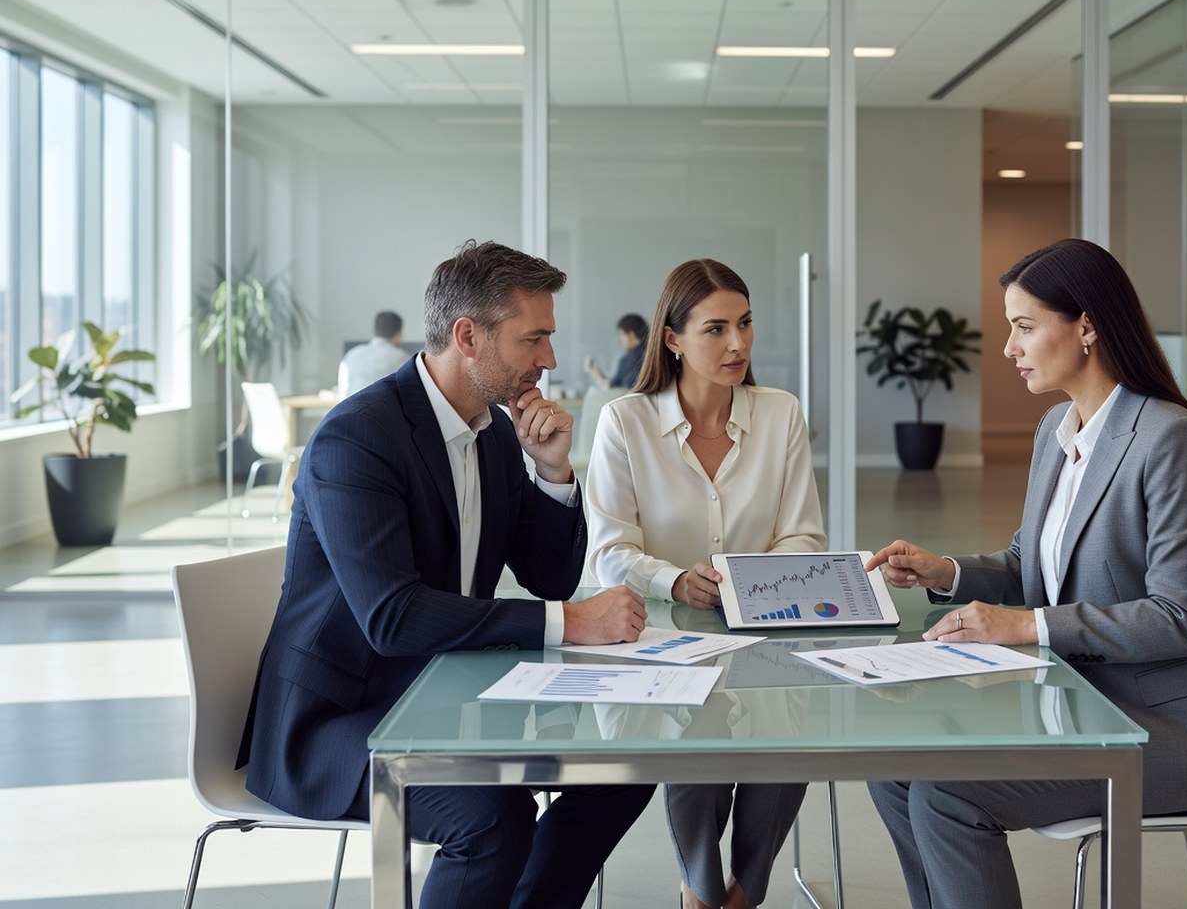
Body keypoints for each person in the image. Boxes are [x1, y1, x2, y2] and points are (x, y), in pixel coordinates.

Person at [237, 241, 653, 909]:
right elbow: (393, 619)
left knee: (628, 765)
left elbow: (547, 573)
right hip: (341, 719)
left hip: (448, 686)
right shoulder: (357, 439)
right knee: (490, 816)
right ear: (468, 337)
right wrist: (572, 622)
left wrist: (551, 471)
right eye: (534, 339)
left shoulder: (490, 431)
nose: (548, 359)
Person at [864, 238, 1187, 909]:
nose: (1009, 348)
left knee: (948, 796)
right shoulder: (1058, 428)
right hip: (1081, 704)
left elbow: (1180, 619)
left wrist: (1024, 625)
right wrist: (947, 573)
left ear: (1086, 326)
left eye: (1024, 327)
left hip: (1167, 730)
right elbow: (1033, 565)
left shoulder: (1172, 441)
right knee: (896, 771)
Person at [583, 258, 826, 909]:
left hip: (766, 632)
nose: (738, 343)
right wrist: (673, 582)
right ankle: (702, 884)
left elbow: (804, 537)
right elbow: (610, 551)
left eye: (745, 325)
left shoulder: (780, 415)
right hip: (659, 640)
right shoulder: (624, 422)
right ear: (672, 339)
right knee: (693, 723)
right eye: (715, 329)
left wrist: (749, 583)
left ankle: (742, 890)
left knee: (786, 722)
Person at [337, 309, 411, 398]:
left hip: (350, 409)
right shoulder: (404, 359)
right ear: (399, 334)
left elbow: (342, 391)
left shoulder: (351, 355)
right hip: (385, 410)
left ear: (374, 331)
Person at [584, 311, 648, 389]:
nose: (620, 340)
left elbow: (615, 388)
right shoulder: (654, 354)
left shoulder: (629, 359)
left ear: (631, 335)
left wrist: (593, 372)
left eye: (621, 334)